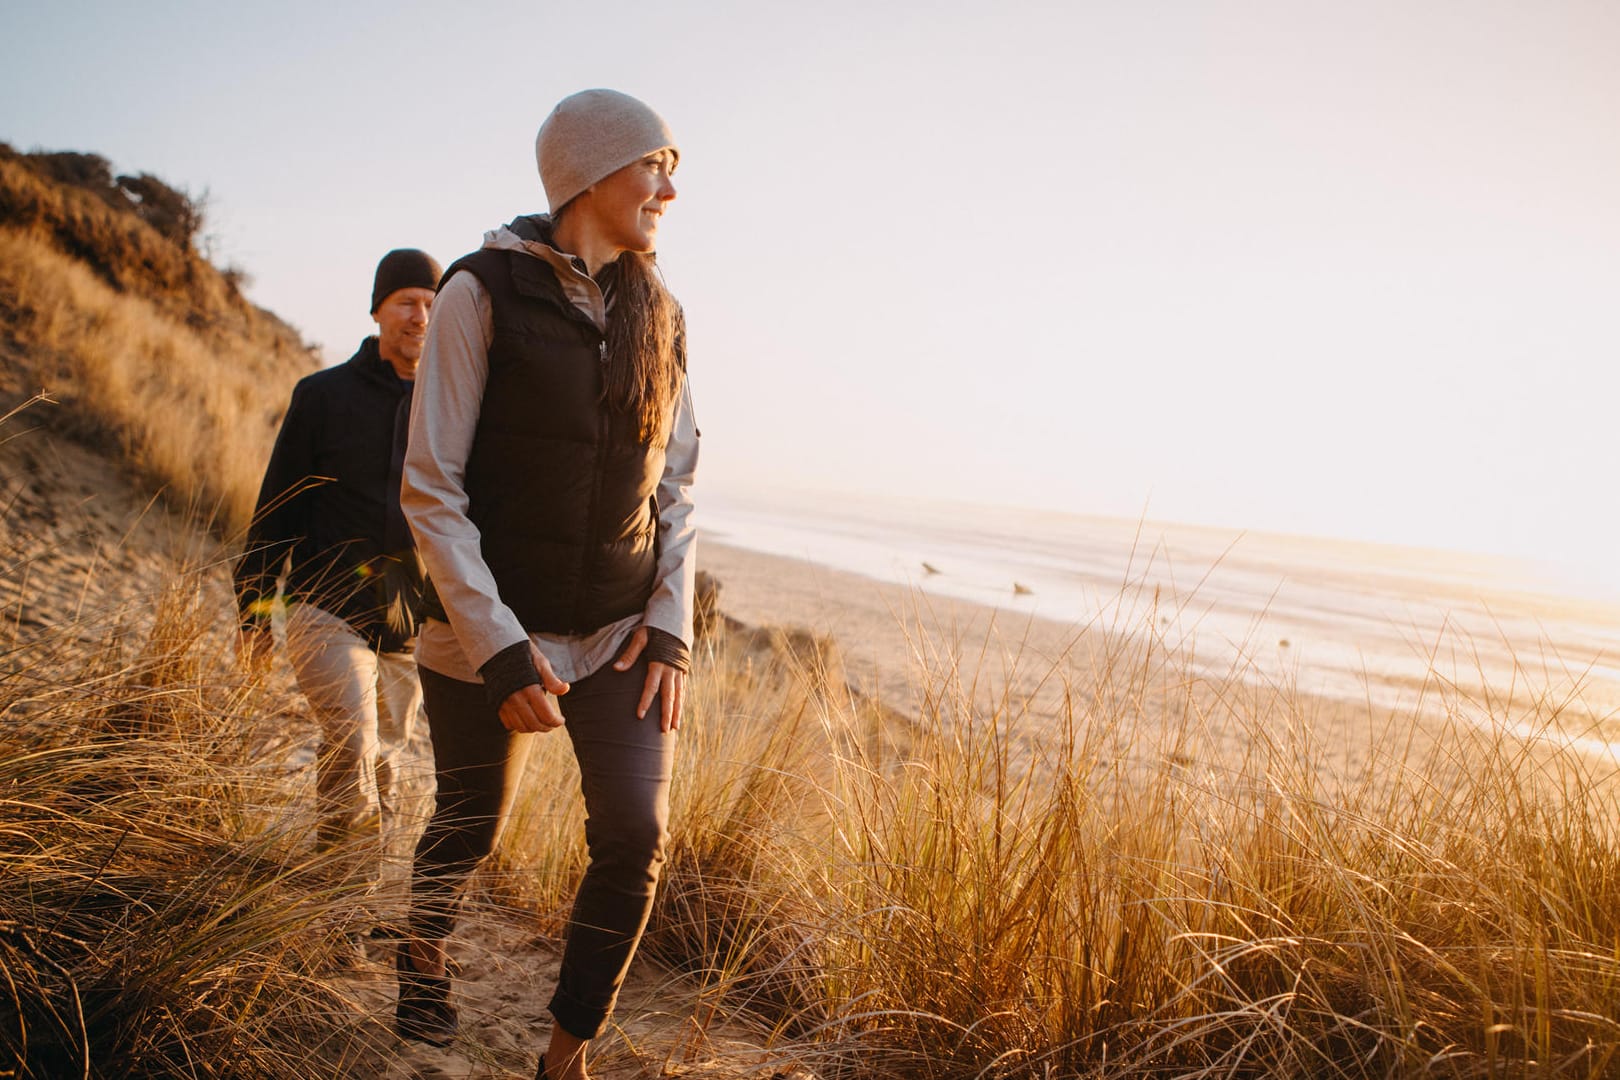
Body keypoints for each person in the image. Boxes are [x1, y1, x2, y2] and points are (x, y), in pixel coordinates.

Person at [396, 89, 697, 1080]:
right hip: (489, 630)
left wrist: (670, 625)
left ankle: (563, 1056)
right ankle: (424, 952)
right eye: (654, 161)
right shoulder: (480, 293)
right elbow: (431, 488)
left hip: (618, 633)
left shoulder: (665, 313)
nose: (669, 185)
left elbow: (679, 482)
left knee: (636, 834)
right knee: (469, 825)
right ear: (586, 171)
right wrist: (498, 643)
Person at [233, 248, 442, 912]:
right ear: (378, 308)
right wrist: (254, 611)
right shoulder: (322, 396)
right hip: (323, 605)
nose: (420, 315)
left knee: (383, 760)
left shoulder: (449, 409)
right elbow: (277, 510)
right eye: (407, 299)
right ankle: (342, 909)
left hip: (405, 621)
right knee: (352, 743)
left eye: (433, 304)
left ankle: (347, 887)